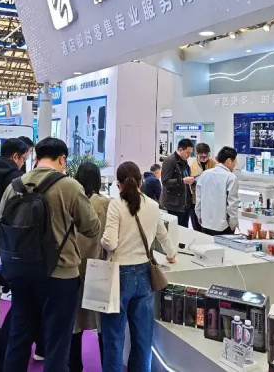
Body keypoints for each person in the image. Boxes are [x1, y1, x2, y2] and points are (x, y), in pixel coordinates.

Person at [0, 138, 100, 372]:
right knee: (57, 342)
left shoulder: (15, 185)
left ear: (37, 156)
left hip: (21, 272)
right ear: (62, 158)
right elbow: (92, 228)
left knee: (19, 335)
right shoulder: (69, 186)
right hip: (60, 275)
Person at [101, 161, 177, 372]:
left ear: (119, 184)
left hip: (119, 275)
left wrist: (103, 242)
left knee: (114, 337)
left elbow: (110, 243)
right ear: (141, 182)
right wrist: (171, 254)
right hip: (145, 274)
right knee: (143, 337)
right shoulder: (152, 205)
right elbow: (163, 234)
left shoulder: (116, 205)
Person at [0, 138, 31, 372]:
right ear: (15, 156)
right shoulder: (17, 181)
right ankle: (10, 348)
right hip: (9, 246)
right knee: (21, 297)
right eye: (25, 157)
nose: (24, 162)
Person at [70, 162, 110, 372]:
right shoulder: (105, 203)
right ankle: (106, 366)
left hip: (74, 266)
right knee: (102, 323)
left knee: (74, 322)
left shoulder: (72, 200)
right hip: (99, 266)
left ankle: (74, 366)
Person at [195, 147, 240, 236]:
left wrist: (199, 214)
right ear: (229, 161)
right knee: (223, 245)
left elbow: (199, 197)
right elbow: (232, 203)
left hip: (205, 223)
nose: (236, 164)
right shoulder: (231, 177)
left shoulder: (205, 174)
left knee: (207, 244)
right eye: (235, 161)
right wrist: (233, 221)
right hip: (223, 225)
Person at [160, 139, 195, 227]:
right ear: (180, 149)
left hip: (185, 204)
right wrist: (183, 181)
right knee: (175, 231)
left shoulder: (184, 161)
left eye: (190, 153)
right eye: (187, 153)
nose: (189, 155)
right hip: (174, 205)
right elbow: (165, 181)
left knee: (184, 231)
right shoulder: (169, 161)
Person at [188, 143, 217, 232]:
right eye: (201, 155)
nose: (204, 157)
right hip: (195, 199)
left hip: (210, 200)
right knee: (197, 227)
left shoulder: (214, 164)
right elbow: (187, 181)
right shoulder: (191, 165)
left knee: (209, 228)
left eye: (206, 155)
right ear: (197, 154)